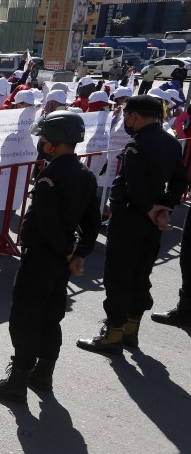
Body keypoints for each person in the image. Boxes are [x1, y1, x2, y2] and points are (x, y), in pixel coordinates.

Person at [0, 112, 101, 402]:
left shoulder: (51, 176)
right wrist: (78, 253)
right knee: (50, 316)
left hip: (43, 257)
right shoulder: (84, 174)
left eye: (45, 137)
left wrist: (69, 251)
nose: (41, 142)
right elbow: (92, 222)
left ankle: (18, 379)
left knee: (25, 317)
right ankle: (43, 373)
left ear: (56, 143)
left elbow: (47, 224)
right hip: (60, 260)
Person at [77, 95, 189, 353]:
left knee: (118, 275)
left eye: (126, 115)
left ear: (134, 116)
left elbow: (134, 185)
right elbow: (180, 180)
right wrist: (164, 208)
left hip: (130, 218)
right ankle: (131, 329)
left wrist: (151, 209)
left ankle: (113, 333)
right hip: (152, 220)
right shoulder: (171, 142)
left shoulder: (136, 146)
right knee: (141, 273)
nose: (125, 120)